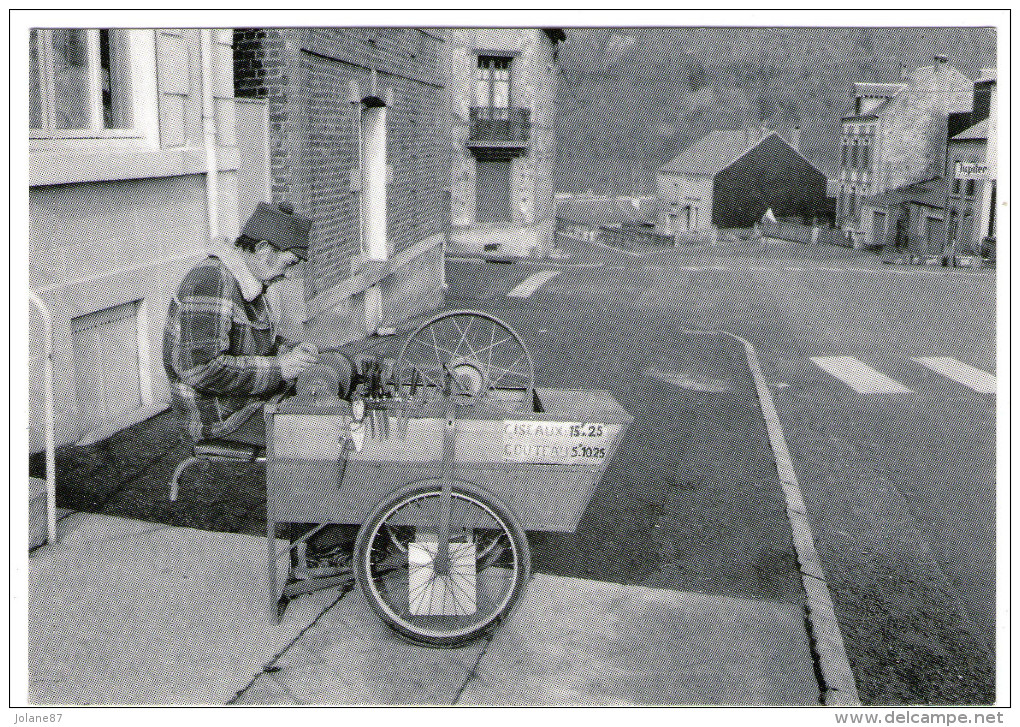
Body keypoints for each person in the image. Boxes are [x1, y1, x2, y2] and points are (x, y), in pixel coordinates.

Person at [163, 201, 355, 576]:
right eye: (287, 264)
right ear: (265, 251)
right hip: (218, 414)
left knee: (330, 412)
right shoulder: (211, 281)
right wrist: (279, 368)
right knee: (313, 433)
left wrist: (289, 351)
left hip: (242, 400)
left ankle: (338, 529)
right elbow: (199, 369)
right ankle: (318, 551)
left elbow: (259, 344)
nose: (285, 275)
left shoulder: (248, 282)